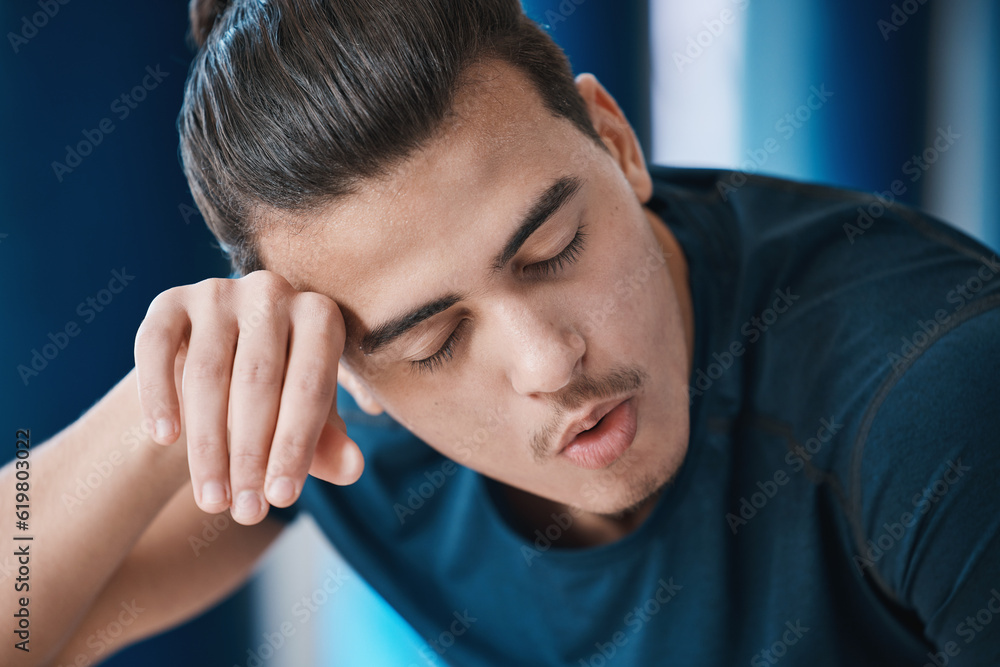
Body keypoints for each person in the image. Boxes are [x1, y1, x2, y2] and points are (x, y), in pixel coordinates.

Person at [4, 0, 999, 665]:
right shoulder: (346, 434)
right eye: (434, 342)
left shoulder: (937, 394)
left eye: (554, 246)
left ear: (613, 138)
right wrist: (159, 408)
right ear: (341, 369)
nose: (545, 359)